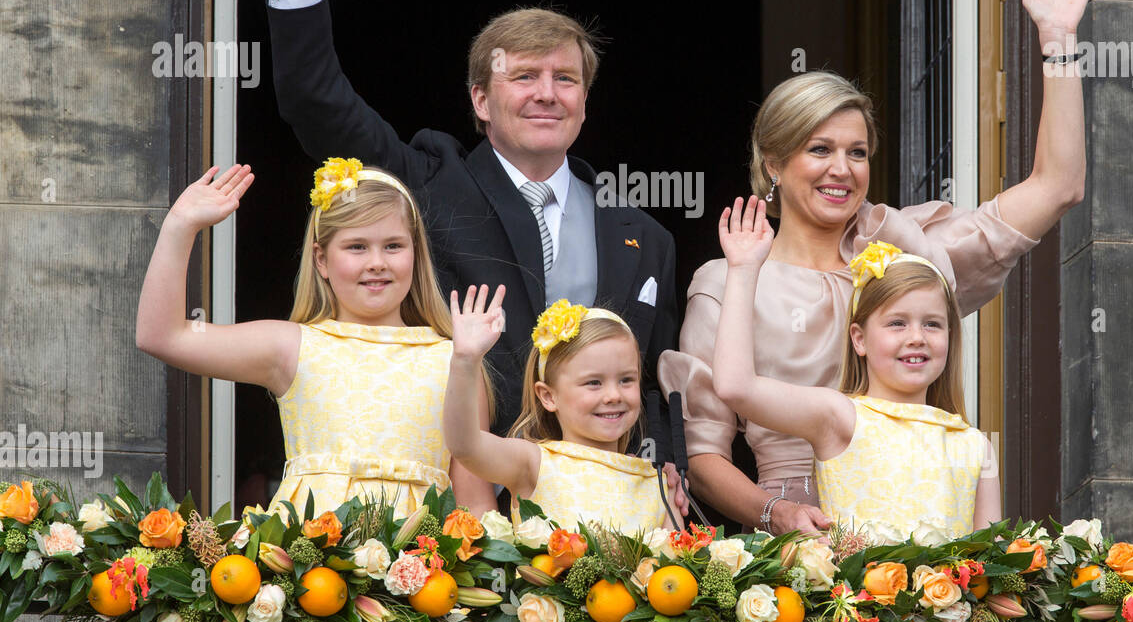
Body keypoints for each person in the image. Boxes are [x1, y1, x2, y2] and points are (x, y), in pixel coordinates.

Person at [264, 0, 677, 433]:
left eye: (565, 78)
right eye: (524, 77)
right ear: (481, 102)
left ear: (585, 102)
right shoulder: (427, 183)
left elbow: (659, 395)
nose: (547, 93)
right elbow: (314, 96)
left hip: (601, 510)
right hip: (460, 501)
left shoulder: (644, 237)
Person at [660, 0, 1089, 534]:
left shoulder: (906, 250)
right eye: (820, 150)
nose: (842, 169)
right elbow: (702, 454)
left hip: (919, 522)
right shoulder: (728, 282)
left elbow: (1058, 185)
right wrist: (776, 513)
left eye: (857, 153)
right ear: (774, 164)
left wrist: (1058, 40)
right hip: (799, 543)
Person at [135, 158, 497, 518]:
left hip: (419, 569)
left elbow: (475, 502)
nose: (376, 262)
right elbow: (162, 335)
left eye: (393, 246)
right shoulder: (293, 346)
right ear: (321, 260)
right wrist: (180, 225)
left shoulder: (456, 360)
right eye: (356, 247)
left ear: (415, 254)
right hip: (310, 568)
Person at [711, 199, 998, 538]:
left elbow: (989, 565)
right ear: (859, 339)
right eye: (897, 323)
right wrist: (743, 270)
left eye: (933, 324)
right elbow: (735, 386)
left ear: (951, 336)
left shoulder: (976, 446)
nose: (917, 337)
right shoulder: (839, 416)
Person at [442, 289, 683, 532]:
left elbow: (677, 566)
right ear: (548, 396)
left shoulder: (658, 484)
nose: (613, 395)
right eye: (593, 383)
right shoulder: (532, 463)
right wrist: (465, 360)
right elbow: (465, 446)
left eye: (626, 380)